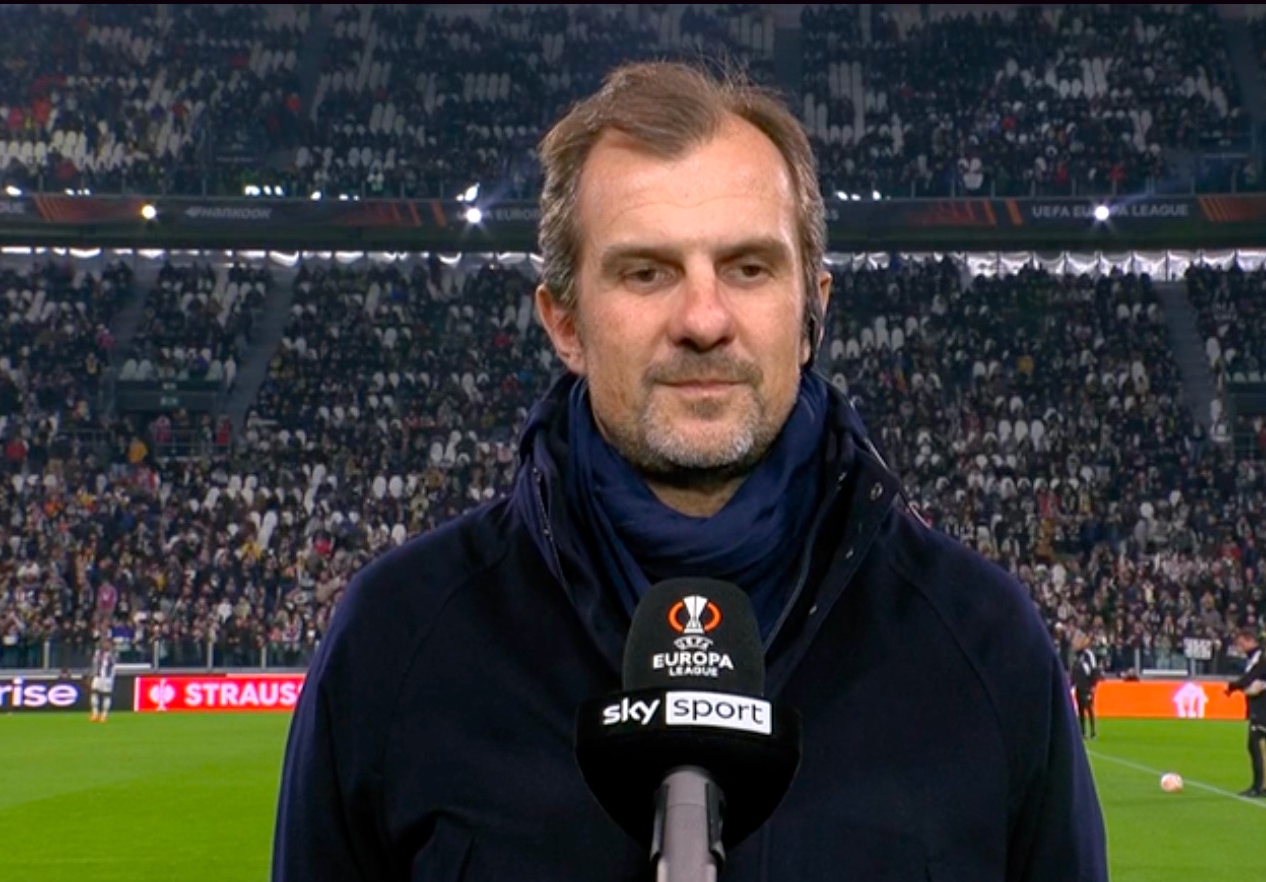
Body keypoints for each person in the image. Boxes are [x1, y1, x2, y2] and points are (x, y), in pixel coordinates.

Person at [273, 60, 1107, 881]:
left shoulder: (982, 641)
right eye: (647, 272)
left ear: (812, 312)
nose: (703, 320)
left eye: (748, 268)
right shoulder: (397, 638)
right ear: (564, 323)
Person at [1224, 627, 1266, 797]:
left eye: (1242, 643)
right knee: (1257, 746)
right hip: (1258, 707)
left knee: (1254, 744)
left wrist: (1234, 686)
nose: (1240, 648)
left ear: (1250, 640)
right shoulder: (1256, 657)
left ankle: (1257, 787)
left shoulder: (1261, 657)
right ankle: (1260, 786)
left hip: (1262, 709)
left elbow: (1253, 676)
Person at [1071, 630, 1103, 739]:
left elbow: (1094, 669)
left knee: (1089, 707)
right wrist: (1072, 684)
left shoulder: (1089, 654)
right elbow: (1074, 671)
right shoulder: (1077, 655)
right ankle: (1083, 731)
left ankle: (1093, 731)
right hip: (1079, 686)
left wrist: (1093, 685)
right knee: (1080, 709)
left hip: (1087, 686)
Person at [88, 635, 117, 723]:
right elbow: (94, 665)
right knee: (94, 693)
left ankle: (104, 715)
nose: (105, 645)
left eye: (107, 643)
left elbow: (112, 664)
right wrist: (91, 675)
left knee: (106, 696)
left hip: (107, 678)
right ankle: (95, 713)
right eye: (104, 643)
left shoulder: (112, 654)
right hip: (97, 676)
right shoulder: (97, 653)